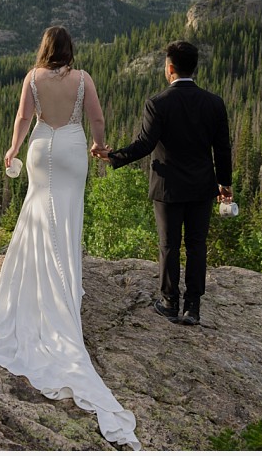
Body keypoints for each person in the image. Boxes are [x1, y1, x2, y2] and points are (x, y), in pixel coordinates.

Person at [0, 26, 141, 451]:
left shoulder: (32, 78)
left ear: (45, 50)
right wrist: (101, 147)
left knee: (37, 211)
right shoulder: (84, 80)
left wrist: (12, 149)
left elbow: (24, 118)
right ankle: (66, 287)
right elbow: (97, 119)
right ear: (70, 51)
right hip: (72, 150)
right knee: (67, 217)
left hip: (42, 149)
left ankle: (38, 284)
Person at [92, 40, 232, 327]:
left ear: (170, 69)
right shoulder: (214, 103)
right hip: (202, 186)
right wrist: (225, 184)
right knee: (196, 245)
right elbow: (223, 149)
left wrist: (113, 156)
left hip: (167, 187)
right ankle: (193, 307)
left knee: (168, 245)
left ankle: (169, 302)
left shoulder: (158, 103)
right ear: (194, 68)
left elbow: (145, 144)